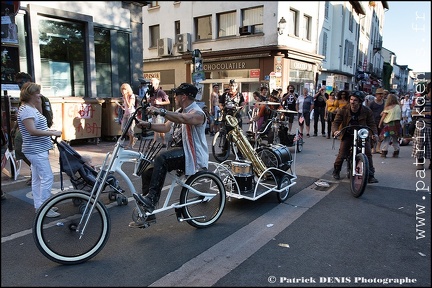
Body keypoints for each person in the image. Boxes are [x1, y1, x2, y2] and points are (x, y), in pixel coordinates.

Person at [131, 83, 208, 226]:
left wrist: (160, 111)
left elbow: (184, 119)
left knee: (162, 158)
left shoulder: (198, 113)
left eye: (176, 95)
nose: (175, 97)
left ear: (183, 96)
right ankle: (149, 213)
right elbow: (166, 127)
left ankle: (152, 199)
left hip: (192, 154)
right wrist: (147, 125)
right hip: (179, 150)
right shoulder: (180, 110)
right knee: (147, 168)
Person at [17, 82, 62, 217]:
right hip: (35, 150)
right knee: (47, 177)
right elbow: (32, 131)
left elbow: (39, 125)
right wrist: (52, 133)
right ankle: (45, 208)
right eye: (37, 93)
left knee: (37, 179)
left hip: (37, 149)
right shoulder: (26, 111)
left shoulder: (31, 108)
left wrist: (38, 104)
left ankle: (40, 206)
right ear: (30, 95)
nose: (40, 95)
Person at [13, 72, 54, 186]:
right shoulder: (24, 102)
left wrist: (48, 131)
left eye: (22, 83)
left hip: (38, 136)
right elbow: (25, 118)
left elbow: (43, 117)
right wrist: (16, 126)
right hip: (32, 140)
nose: (20, 85)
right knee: (44, 177)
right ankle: (44, 203)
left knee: (42, 177)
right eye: (18, 83)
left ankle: (42, 203)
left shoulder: (38, 98)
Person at [331, 90, 379, 183]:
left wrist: (374, 134)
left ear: (360, 101)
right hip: (348, 134)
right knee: (342, 154)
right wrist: (335, 131)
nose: (352, 102)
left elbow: (372, 124)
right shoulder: (343, 109)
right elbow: (336, 122)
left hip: (361, 134)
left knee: (368, 153)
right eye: (351, 99)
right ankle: (336, 171)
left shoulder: (367, 111)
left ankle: (370, 174)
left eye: (355, 100)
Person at [411, 82, 431, 170]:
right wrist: (427, 113)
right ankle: (420, 161)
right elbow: (414, 113)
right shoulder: (421, 99)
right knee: (420, 143)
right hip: (422, 124)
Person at [378, 94, 402, 158]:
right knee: (395, 138)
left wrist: (379, 124)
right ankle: (396, 151)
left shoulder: (388, 108)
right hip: (397, 124)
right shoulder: (398, 106)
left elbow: (383, 117)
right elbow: (400, 116)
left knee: (386, 138)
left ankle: (384, 152)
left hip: (389, 125)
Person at [149, 78, 170, 147]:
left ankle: (153, 144)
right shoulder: (151, 92)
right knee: (160, 129)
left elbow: (168, 101)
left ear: (156, 84)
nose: (150, 85)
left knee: (156, 128)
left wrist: (159, 102)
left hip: (160, 112)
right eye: (150, 83)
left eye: (151, 83)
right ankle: (164, 142)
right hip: (153, 112)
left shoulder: (161, 92)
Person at [120, 83, 137, 149]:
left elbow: (129, 105)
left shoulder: (131, 96)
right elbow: (126, 106)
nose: (123, 91)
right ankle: (133, 138)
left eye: (124, 89)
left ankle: (130, 144)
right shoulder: (124, 97)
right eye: (122, 90)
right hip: (126, 114)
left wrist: (126, 98)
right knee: (123, 129)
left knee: (130, 130)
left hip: (131, 114)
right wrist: (123, 107)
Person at [369, 87, 385, 153]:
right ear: (376, 95)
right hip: (373, 121)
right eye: (379, 94)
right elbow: (369, 112)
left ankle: (378, 148)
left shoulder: (384, 103)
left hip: (382, 121)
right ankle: (373, 148)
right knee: (373, 135)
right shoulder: (372, 103)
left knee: (381, 135)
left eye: (382, 94)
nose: (381, 96)